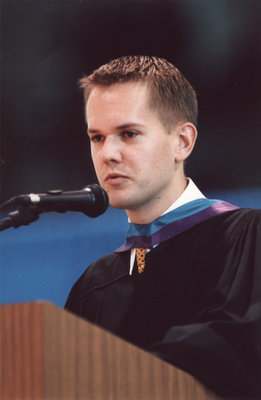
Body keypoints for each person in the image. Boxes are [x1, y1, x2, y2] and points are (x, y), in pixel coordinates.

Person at [65, 55, 261, 398]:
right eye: (97, 137)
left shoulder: (245, 237)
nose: (108, 154)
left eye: (128, 133)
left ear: (182, 141)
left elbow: (238, 346)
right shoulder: (93, 286)